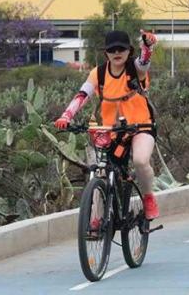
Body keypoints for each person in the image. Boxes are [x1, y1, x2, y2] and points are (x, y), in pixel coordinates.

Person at [54, 30, 160, 219]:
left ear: (129, 51)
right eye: (112, 50)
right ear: (106, 53)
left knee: (140, 161)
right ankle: (97, 218)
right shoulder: (99, 73)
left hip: (140, 126)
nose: (117, 53)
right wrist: (66, 116)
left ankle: (148, 197)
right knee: (101, 172)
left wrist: (148, 46)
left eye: (122, 49)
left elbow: (144, 61)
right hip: (112, 130)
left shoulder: (135, 69)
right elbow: (82, 95)